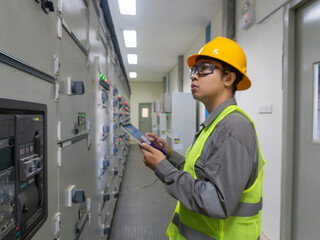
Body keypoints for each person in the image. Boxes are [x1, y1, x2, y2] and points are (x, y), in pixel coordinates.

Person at [140, 36, 266, 240]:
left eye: (204, 69)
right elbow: (199, 174)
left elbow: (217, 202)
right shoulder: (215, 125)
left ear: (228, 78)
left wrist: (162, 168)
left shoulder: (233, 127)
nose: (194, 77)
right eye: (193, 70)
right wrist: (168, 155)